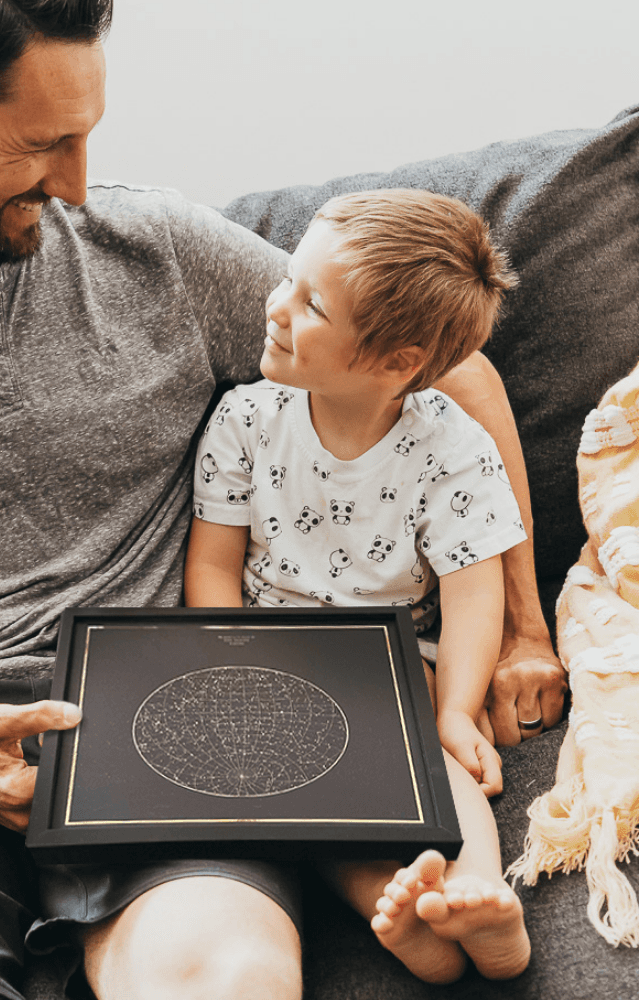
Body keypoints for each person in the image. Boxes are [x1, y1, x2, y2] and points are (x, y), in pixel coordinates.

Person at [0, 2, 557, 998]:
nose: (76, 182)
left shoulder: (157, 248)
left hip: (165, 745)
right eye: (45, 143)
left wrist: (525, 631)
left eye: (88, 134)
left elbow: (448, 375)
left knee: (228, 981)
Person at [185, 189, 533, 982]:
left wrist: (456, 710)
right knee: (296, 813)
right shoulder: (245, 420)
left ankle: (476, 888)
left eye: (310, 305)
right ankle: (404, 911)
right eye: (287, 282)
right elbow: (211, 565)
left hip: (393, 665)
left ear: (395, 364)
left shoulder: (451, 447)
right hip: (271, 664)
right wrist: (237, 663)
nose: (276, 308)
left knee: (436, 764)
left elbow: (475, 593)